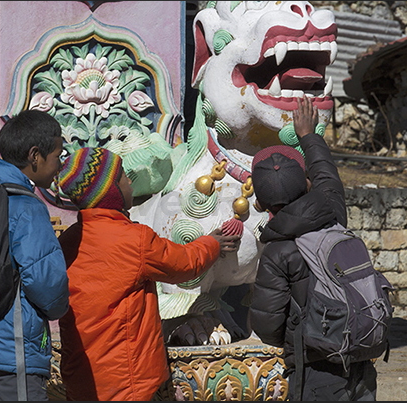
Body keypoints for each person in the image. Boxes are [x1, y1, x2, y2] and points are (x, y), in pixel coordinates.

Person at [55, 147, 241, 401]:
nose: (130, 180)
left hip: (80, 375)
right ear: (111, 192)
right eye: (122, 176)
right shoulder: (134, 239)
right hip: (126, 377)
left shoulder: (67, 241)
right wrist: (212, 243)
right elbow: (183, 264)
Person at [248, 96, 377, 401]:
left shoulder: (277, 254)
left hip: (317, 370)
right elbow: (327, 175)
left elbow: (268, 327)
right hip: (360, 359)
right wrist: (309, 135)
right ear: (306, 185)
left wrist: (305, 331)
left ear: (260, 204)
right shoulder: (332, 214)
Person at [0, 109, 70, 401]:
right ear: (35, 155)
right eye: (58, 154)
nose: (60, 165)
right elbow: (46, 282)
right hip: (13, 353)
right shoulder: (24, 205)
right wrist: (59, 308)